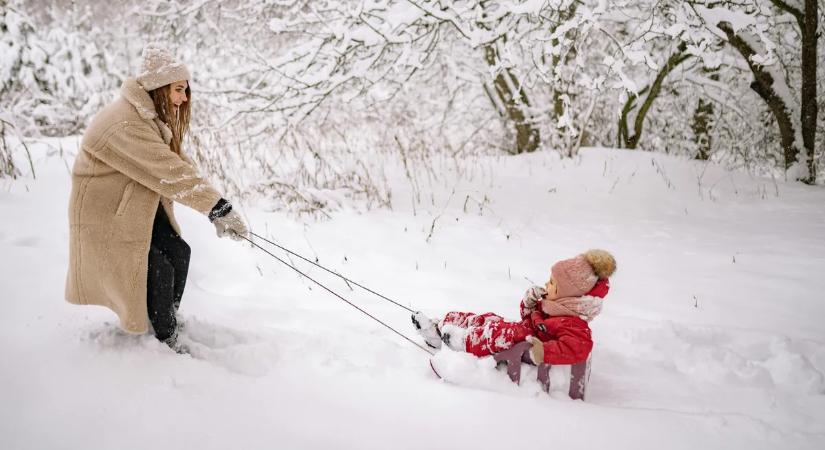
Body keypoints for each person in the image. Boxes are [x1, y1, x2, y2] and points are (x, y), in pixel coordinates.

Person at [65, 44, 248, 352]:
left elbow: (179, 164)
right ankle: (164, 339)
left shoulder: (146, 117)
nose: (184, 98)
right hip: (105, 219)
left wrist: (218, 207)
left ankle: (164, 320)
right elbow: (170, 172)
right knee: (158, 268)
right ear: (159, 87)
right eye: (179, 89)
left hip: (131, 209)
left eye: (186, 90)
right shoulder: (125, 122)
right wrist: (216, 208)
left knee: (179, 252)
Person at [412, 249, 616, 365]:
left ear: (568, 294)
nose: (547, 284)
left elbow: (577, 349)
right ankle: (439, 327)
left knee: (500, 333)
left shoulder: (574, 323)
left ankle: (460, 342)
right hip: (522, 332)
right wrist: (530, 303)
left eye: (553, 283)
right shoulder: (555, 305)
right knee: (488, 319)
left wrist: (543, 351)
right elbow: (529, 318)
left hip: (524, 344)